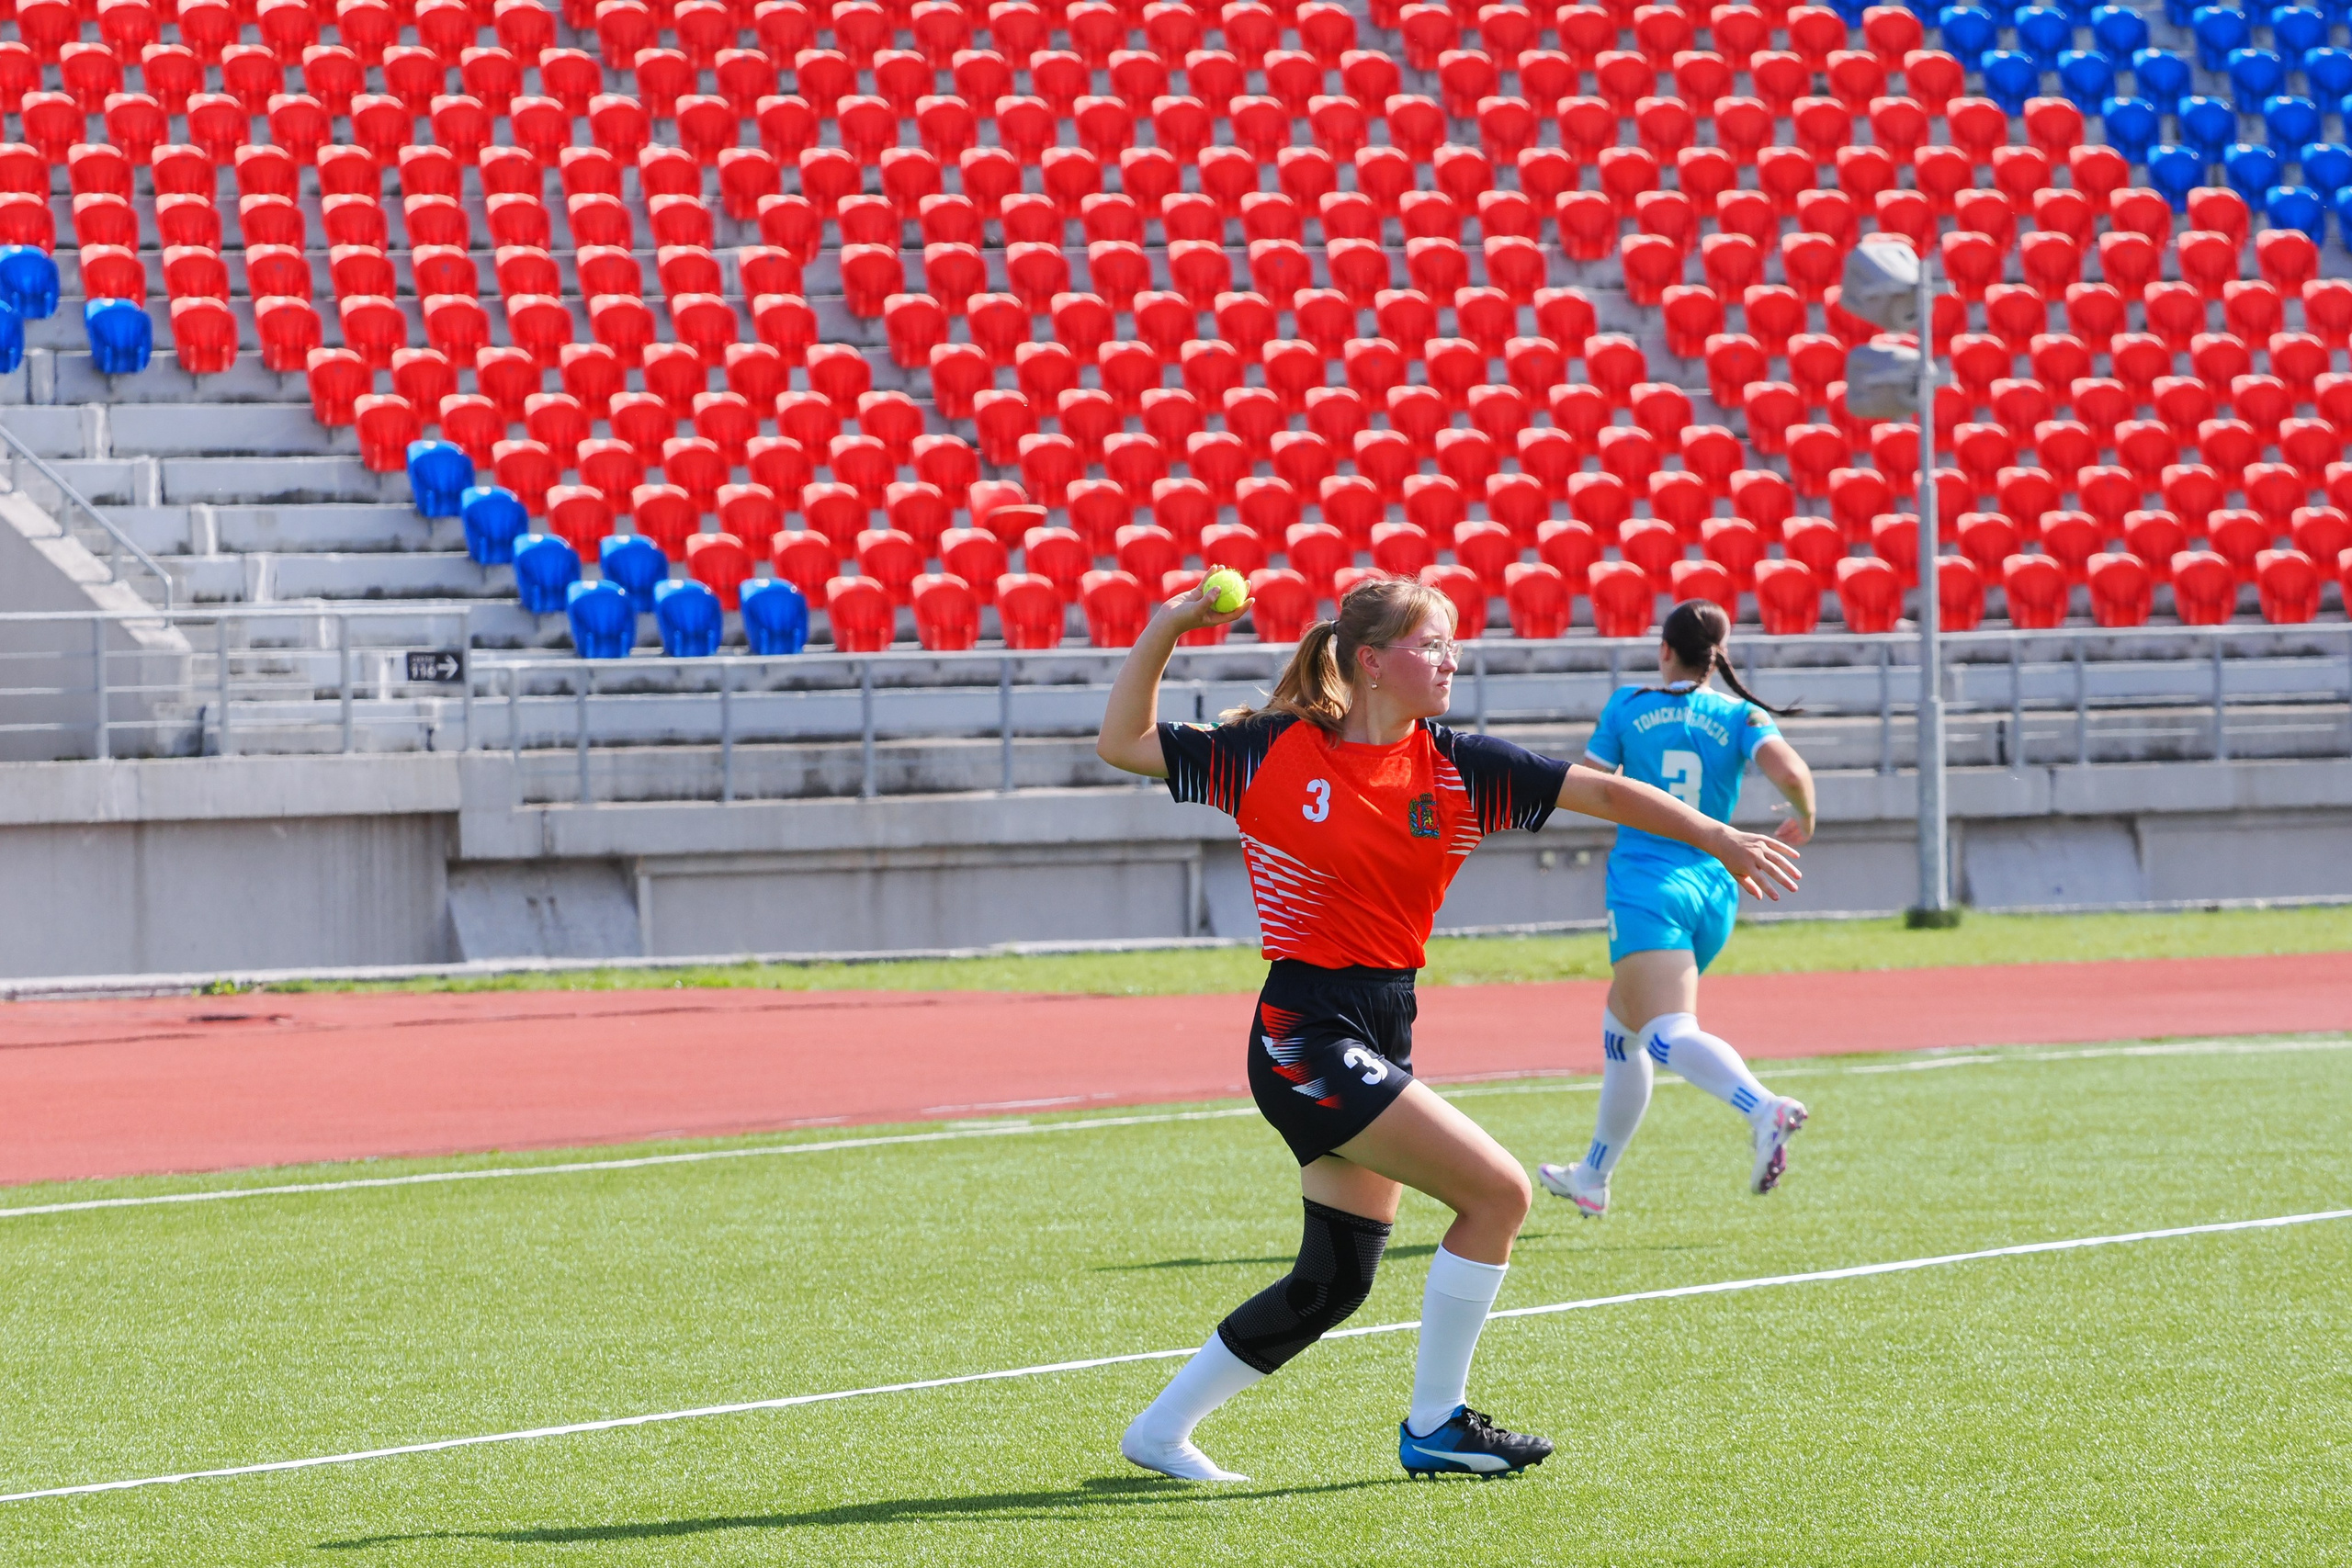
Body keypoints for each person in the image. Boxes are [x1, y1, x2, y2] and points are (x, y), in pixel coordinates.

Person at [1096, 576, 1802, 1483]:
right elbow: (1124, 744)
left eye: (1451, 645)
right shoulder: (1269, 753)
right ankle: (1438, 1425)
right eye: (1430, 645)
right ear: (1371, 662)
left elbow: (1612, 797)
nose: (1449, 660)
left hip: (1382, 1025)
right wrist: (1169, 624)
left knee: (1334, 1279)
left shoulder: (1462, 765)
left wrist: (1723, 837)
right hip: (1303, 1032)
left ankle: (1158, 1432)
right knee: (1500, 1194)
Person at [1536, 599, 1819, 1221]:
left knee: (1665, 1031)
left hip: (1647, 883)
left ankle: (1761, 1106)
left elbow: (1593, 784)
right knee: (1623, 1032)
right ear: (1717, 658)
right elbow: (1792, 771)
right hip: (1717, 887)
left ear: (1664, 650)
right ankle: (1592, 1176)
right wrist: (1805, 812)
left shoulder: (1630, 706)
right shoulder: (1739, 713)